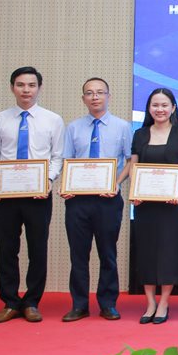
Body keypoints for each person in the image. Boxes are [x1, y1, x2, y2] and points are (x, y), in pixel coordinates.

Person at [0, 66, 64, 324]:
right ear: (12, 88)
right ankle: (10, 302)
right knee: (7, 250)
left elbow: (57, 157)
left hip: (38, 195)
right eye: (20, 85)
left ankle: (31, 302)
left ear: (39, 88)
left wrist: (48, 180)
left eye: (31, 85)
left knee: (37, 249)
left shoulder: (53, 120)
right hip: (4, 195)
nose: (26, 90)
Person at [60, 77, 131, 322]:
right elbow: (67, 161)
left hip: (108, 200)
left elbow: (130, 161)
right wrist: (66, 186)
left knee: (108, 253)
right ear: (83, 99)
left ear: (108, 96)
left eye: (100, 92)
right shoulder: (73, 127)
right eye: (89, 93)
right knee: (78, 255)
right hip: (78, 201)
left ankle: (108, 303)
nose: (95, 97)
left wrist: (116, 183)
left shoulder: (122, 127)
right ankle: (79, 304)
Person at [129, 87, 178, 324]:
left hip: (172, 204)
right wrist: (135, 192)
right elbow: (134, 167)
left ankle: (164, 302)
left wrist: (177, 188)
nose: (160, 109)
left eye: (165, 105)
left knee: (169, 252)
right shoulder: (139, 134)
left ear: (173, 108)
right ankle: (150, 303)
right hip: (145, 204)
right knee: (146, 251)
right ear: (149, 108)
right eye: (155, 105)